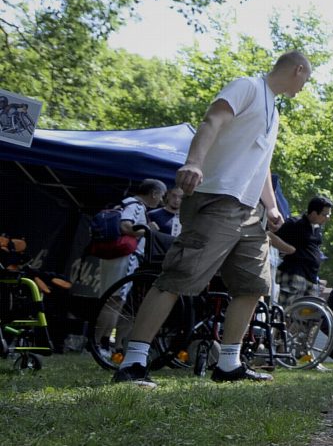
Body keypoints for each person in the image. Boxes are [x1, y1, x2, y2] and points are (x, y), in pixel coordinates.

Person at [112, 50, 312, 388]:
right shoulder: (247, 86)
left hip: (251, 213)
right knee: (179, 276)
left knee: (253, 286)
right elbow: (212, 120)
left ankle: (229, 363)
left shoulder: (273, 111)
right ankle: (133, 361)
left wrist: (272, 205)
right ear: (297, 70)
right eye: (306, 80)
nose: (305, 87)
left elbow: (262, 163)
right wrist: (194, 162)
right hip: (218, 199)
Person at [95, 178, 166, 358]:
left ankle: (97, 342)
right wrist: (147, 229)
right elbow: (125, 225)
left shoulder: (125, 202)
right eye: (161, 196)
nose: (161, 201)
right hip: (125, 258)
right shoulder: (136, 205)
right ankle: (101, 342)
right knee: (115, 300)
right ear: (154, 193)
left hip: (114, 257)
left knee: (109, 299)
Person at [268, 196, 333, 308]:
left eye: (329, 215)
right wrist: (289, 249)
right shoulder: (295, 223)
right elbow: (270, 236)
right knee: (287, 311)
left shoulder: (317, 230)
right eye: (325, 214)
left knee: (306, 318)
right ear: (313, 213)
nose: (327, 218)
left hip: (311, 278)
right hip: (294, 274)